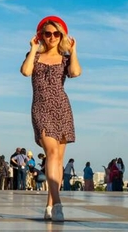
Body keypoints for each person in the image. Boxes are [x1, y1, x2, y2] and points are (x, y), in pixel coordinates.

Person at [20, 15, 81, 222]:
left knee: (58, 159)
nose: (52, 37)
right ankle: (58, 203)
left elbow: (75, 72)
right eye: (48, 34)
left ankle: (49, 205)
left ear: (61, 36)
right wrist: (33, 48)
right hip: (41, 108)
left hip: (62, 109)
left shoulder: (65, 58)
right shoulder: (34, 56)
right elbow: (25, 71)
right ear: (41, 35)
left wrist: (73, 51)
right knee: (52, 153)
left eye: (56, 34)